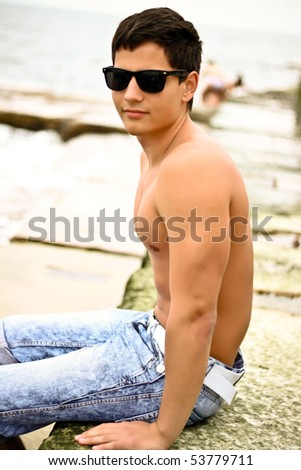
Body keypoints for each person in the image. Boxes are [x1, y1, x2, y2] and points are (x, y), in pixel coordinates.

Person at [0, 7, 253, 450]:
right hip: (149, 329)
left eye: (151, 80)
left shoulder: (195, 167)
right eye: (119, 78)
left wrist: (161, 432)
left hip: (179, 372)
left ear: (188, 85)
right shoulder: (155, 150)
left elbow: (197, 314)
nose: (130, 94)